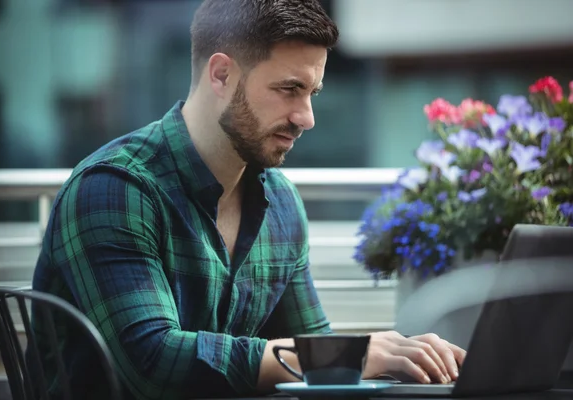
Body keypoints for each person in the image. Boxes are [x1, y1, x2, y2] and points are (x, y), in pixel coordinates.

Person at [29, 0, 466, 398]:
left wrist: (394, 359)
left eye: (312, 93)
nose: (306, 118)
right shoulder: (114, 188)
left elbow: (313, 353)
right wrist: (349, 354)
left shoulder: (281, 204)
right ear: (221, 74)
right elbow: (154, 362)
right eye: (289, 89)